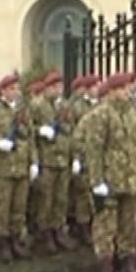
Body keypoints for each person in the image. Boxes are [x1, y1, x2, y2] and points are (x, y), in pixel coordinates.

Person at [77, 72, 136, 272]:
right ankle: (106, 271)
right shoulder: (101, 115)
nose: (127, 92)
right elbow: (94, 149)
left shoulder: (133, 114)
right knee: (106, 227)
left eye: (127, 88)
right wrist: (96, 180)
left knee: (130, 225)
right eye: (122, 88)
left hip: (131, 179)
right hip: (109, 180)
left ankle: (128, 264)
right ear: (110, 92)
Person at [0, 74, 39, 262]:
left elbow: (30, 137)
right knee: (2, 209)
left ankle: (15, 240)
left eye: (17, 89)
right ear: (3, 91)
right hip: (1, 169)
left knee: (18, 208)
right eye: (11, 89)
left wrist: (33, 161)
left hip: (20, 167)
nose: (15, 92)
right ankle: (2, 242)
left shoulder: (22, 111)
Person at [29, 71, 76, 255]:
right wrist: (40, 130)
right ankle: (44, 232)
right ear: (47, 88)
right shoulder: (36, 105)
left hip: (62, 158)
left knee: (60, 199)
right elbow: (27, 129)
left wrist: (73, 157)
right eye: (54, 87)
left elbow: (70, 129)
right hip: (46, 159)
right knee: (45, 199)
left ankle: (57, 229)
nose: (58, 90)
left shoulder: (64, 106)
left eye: (60, 87)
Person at [66, 75, 100, 247]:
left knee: (94, 194)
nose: (97, 88)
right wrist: (76, 158)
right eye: (94, 86)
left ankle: (93, 227)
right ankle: (82, 227)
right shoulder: (77, 107)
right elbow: (73, 134)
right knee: (82, 196)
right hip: (84, 155)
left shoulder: (101, 106)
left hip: (97, 157)